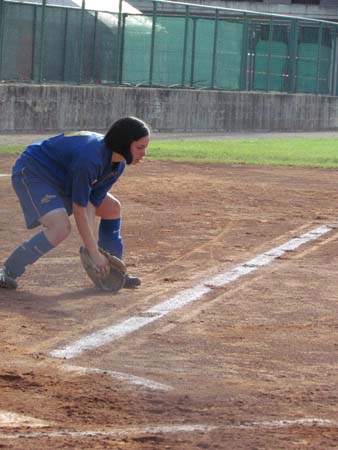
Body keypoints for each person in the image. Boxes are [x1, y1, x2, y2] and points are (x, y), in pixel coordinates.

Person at [0, 116, 150, 290]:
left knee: (112, 208)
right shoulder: (90, 158)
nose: (144, 154)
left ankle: (113, 271)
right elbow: (79, 210)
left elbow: (90, 205)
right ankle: (8, 270)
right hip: (34, 172)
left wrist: (97, 254)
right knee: (60, 226)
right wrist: (93, 253)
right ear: (124, 143)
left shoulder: (117, 164)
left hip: (63, 178)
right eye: (139, 147)